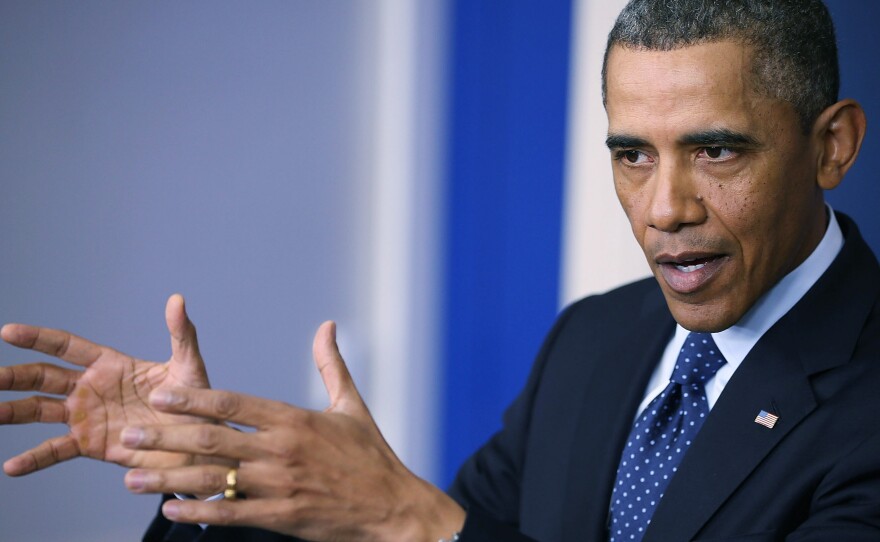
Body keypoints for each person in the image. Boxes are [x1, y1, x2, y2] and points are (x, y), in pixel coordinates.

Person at [1, 0, 877, 540]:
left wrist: (409, 518)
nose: (663, 208)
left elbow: (434, 532)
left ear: (831, 146)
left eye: (715, 151)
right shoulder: (598, 337)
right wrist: (221, 478)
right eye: (632, 156)